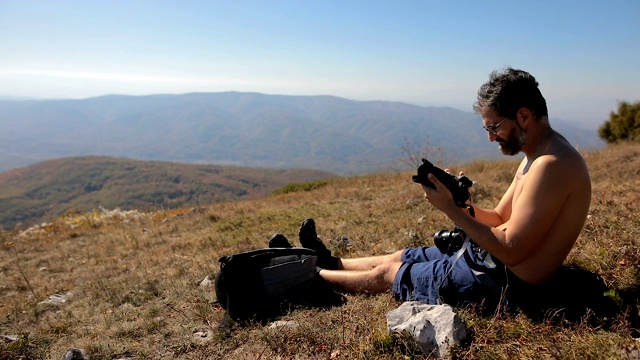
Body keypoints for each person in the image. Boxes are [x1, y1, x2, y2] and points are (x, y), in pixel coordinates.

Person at [300, 67, 592, 307]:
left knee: (390, 273)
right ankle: (330, 261)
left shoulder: (551, 164)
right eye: (486, 129)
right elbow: (501, 219)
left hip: (504, 283)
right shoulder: (538, 155)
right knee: (400, 256)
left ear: (524, 116)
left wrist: (452, 211)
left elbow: (513, 251)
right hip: (490, 261)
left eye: (494, 127)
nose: (491, 137)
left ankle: (310, 275)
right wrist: (461, 204)